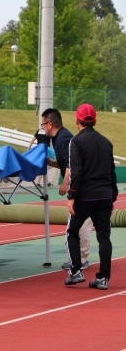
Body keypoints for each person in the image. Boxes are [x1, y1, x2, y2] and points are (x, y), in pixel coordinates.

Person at [63, 104, 117, 289]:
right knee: (104, 237)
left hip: (85, 196)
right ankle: (103, 278)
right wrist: (112, 197)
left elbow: (76, 171)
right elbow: (111, 172)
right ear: (95, 121)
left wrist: (72, 195)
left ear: (77, 120)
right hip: (104, 195)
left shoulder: (76, 141)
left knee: (72, 232)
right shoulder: (106, 142)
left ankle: (76, 271)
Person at [41, 108, 93, 270]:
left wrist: (65, 184)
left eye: (43, 125)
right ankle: (80, 257)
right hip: (82, 184)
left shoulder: (63, 138)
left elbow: (72, 163)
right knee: (80, 223)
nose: (42, 128)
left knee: (79, 224)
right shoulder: (60, 138)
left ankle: (80, 259)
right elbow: (66, 163)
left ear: (50, 124)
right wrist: (52, 163)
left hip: (81, 186)